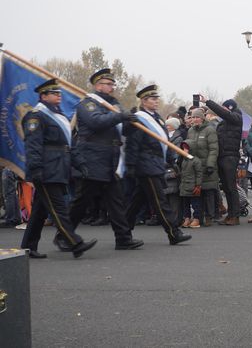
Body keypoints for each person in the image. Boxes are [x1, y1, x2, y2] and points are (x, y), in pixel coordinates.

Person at [58, 68, 142, 251]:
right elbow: (96, 122)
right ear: (98, 85)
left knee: (116, 201)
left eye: (113, 84)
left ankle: (123, 238)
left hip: (110, 159)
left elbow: (122, 130)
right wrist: (120, 115)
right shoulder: (88, 104)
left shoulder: (115, 104)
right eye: (108, 84)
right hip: (92, 158)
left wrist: (132, 123)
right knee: (82, 201)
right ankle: (63, 236)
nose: (112, 87)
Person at [20, 79, 97, 258]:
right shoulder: (36, 116)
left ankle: (28, 247)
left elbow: (69, 145)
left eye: (59, 93)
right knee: (58, 208)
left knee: (40, 210)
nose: (59, 96)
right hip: (46, 170)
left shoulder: (59, 116)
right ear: (43, 96)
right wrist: (36, 169)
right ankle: (75, 243)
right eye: (54, 93)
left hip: (58, 169)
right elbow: (33, 145)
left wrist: (81, 164)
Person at [125, 85, 191, 245]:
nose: (156, 101)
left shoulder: (158, 118)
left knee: (136, 201)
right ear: (144, 101)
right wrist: (131, 165)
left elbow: (164, 142)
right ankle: (173, 232)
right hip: (145, 165)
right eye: (153, 99)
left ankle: (123, 230)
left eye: (156, 99)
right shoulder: (139, 118)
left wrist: (170, 161)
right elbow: (133, 143)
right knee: (159, 200)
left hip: (155, 163)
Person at [201, 97, 243, 226]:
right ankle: (230, 214)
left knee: (231, 187)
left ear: (229, 108)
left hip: (230, 157)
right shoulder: (223, 123)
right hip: (222, 156)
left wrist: (208, 102)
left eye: (224, 108)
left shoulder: (236, 117)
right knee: (226, 187)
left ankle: (235, 216)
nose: (223, 111)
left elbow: (224, 113)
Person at [184, 108, 219, 227]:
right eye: (193, 117)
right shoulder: (190, 131)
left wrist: (210, 165)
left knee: (208, 192)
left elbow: (213, 149)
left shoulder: (210, 130)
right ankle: (199, 216)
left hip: (207, 166)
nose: (194, 119)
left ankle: (210, 216)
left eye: (197, 117)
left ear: (202, 118)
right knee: (198, 193)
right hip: (195, 167)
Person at [178, 141, 203, 228]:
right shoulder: (184, 160)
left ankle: (196, 219)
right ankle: (187, 218)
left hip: (193, 186)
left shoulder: (196, 161)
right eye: (183, 148)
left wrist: (198, 185)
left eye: (186, 148)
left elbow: (199, 174)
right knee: (185, 204)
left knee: (195, 204)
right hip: (184, 186)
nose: (184, 150)